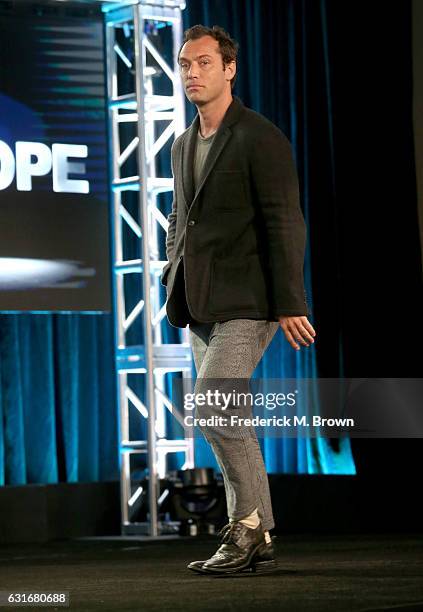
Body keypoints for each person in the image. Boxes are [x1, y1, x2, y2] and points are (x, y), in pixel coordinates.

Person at [160, 24, 316, 574]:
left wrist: (290, 301)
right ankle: (262, 534)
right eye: (184, 64)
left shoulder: (259, 136)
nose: (192, 74)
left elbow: (284, 222)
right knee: (232, 418)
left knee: (212, 407)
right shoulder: (183, 143)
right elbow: (182, 214)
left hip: (250, 303)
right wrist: (169, 268)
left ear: (229, 69)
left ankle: (244, 527)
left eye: (204, 63)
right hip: (200, 301)